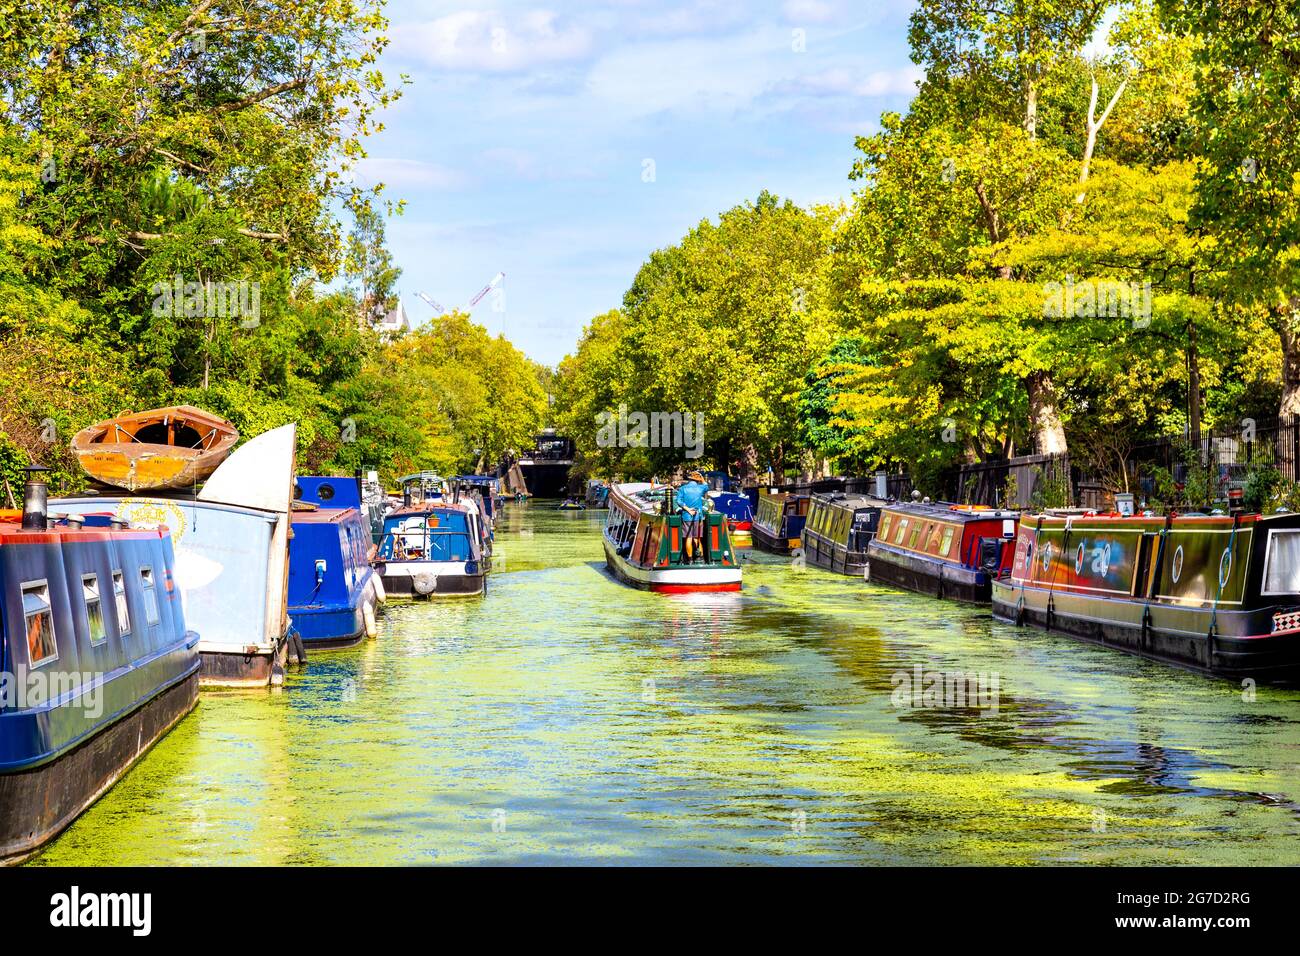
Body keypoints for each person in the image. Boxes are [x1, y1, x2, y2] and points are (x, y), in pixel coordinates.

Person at [675, 470, 709, 562]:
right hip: (698, 516)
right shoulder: (700, 488)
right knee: (697, 538)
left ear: (689, 479)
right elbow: (706, 486)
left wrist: (688, 510)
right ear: (697, 480)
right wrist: (702, 478)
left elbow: (678, 501)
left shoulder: (682, 489)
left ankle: (689, 559)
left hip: (687, 516)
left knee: (688, 538)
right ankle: (700, 558)